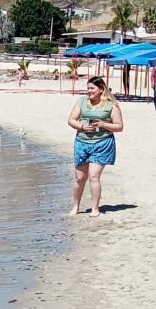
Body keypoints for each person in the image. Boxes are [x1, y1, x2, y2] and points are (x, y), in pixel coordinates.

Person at [67, 76, 124, 217]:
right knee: (80, 178)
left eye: (92, 88)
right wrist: (82, 127)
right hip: (82, 143)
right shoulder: (81, 102)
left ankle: (95, 208)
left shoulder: (111, 105)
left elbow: (119, 126)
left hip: (102, 144)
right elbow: (71, 120)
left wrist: (103, 124)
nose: (89, 91)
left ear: (101, 89)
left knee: (93, 176)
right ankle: (75, 206)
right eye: (88, 88)